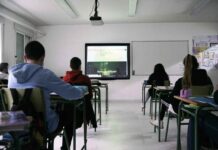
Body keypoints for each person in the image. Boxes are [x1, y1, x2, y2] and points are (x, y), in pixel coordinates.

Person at [8, 41, 87, 149]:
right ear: (43, 57)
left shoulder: (12, 75)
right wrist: (83, 89)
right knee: (70, 110)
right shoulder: (45, 74)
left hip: (15, 124)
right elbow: (72, 94)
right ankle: (65, 147)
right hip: (42, 126)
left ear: (25, 57)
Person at [151, 54, 213, 128]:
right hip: (203, 109)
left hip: (185, 110)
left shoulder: (182, 81)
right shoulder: (206, 79)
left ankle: (159, 121)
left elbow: (171, 98)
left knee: (163, 98)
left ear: (184, 66)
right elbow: (210, 91)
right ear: (197, 64)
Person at [63, 57, 97, 128]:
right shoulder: (86, 79)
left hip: (67, 109)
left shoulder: (65, 78)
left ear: (70, 66)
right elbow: (90, 96)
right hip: (82, 109)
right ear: (80, 66)